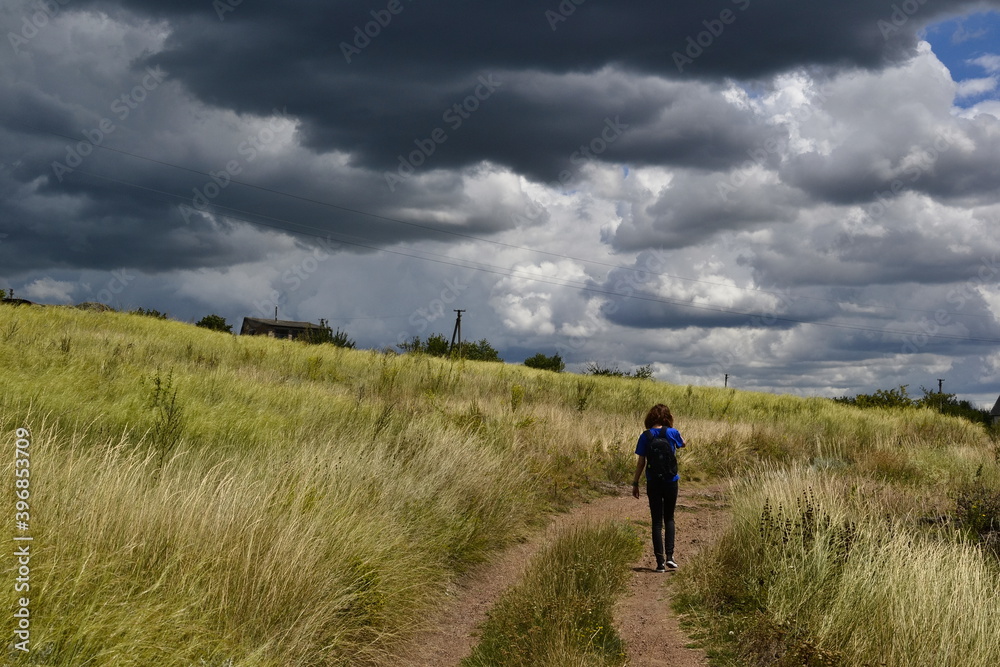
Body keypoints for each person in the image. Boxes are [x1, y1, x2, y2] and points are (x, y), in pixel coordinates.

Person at [631, 403, 685, 572]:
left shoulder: (645, 435)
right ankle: (670, 556)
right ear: (667, 417)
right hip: (671, 480)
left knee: (656, 521)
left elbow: (641, 462)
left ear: (650, 418)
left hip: (653, 482)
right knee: (669, 518)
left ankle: (660, 563)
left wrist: (635, 483)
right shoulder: (672, 432)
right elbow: (682, 444)